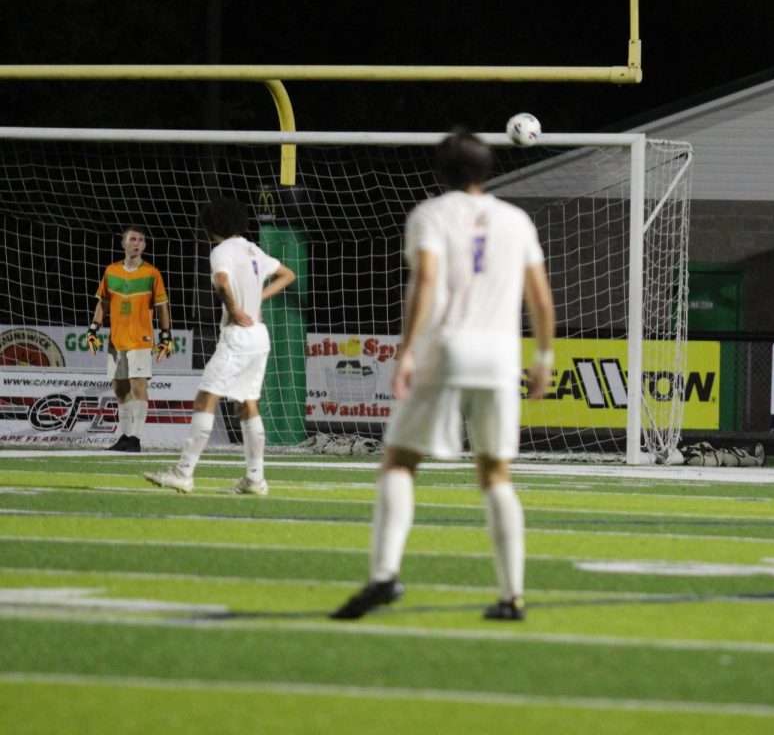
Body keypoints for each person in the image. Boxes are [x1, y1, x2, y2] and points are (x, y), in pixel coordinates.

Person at [331, 130, 555, 622]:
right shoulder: (516, 220)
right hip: (499, 356)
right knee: (496, 473)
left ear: (440, 172)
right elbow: (539, 296)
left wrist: (407, 349)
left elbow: (427, 279)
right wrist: (543, 358)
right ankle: (512, 596)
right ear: (488, 171)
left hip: (447, 349)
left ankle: (384, 575)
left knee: (399, 461)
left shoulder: (430, 214)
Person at [143, 197, 295, 495]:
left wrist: (236, 307)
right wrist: (257, 300)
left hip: (238, 337)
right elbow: (288, 274)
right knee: (247, 404)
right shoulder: (253, 249)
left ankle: (183, 472)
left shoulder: (221, 251)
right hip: (259, 337)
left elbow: (223, 283)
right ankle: (255, 478)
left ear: (213, 225)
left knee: (205, 399)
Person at [86, 225, 173, 453]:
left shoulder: (152, 274)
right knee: (119, 388)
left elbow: (163, 307)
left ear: (144, 245)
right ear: (123, 243)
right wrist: (93, 328)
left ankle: (135, 437)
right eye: (133, 239)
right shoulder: (111, 271)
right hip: (117, 341)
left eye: (141, 240)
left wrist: (166, 335)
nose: (137, 243)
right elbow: (103, 302)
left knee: (138, 386)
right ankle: (125, 436)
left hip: (141, 339)